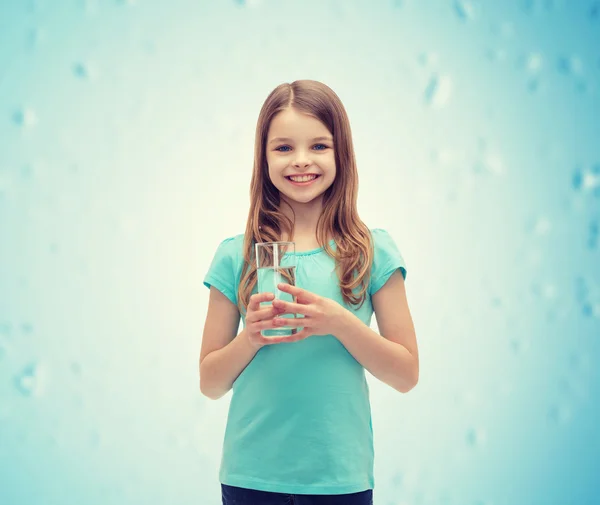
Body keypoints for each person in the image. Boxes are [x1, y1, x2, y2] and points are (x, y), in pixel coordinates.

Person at [200, 79, 419, 505]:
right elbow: (210, 382)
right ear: (262, 158)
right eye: (283, 148)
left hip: (339, 477)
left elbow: (406, 374)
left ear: (342, 153)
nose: (301, 161)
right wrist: (252, 336)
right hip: (251, 475)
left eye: (319, 146)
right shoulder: (236, 254)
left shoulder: (371, 252)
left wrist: (338, 322)